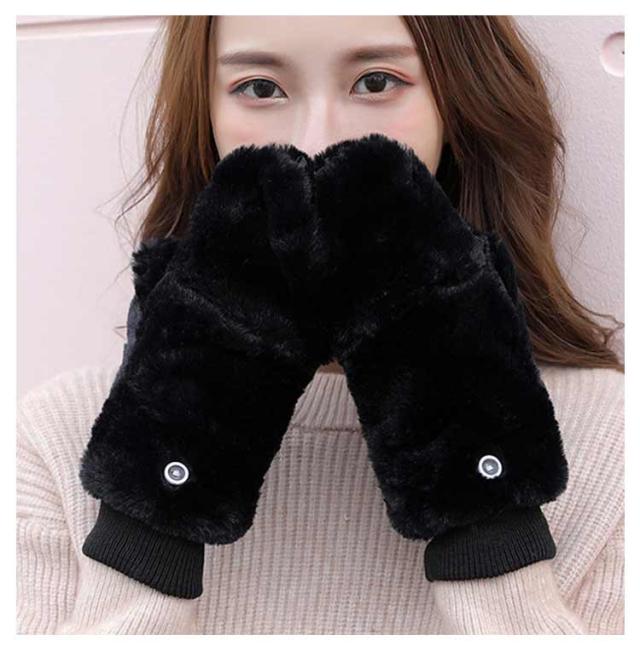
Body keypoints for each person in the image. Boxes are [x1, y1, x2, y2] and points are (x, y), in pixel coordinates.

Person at [16, 16, 624, 634]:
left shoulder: (613, 440)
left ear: (459, 102)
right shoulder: (57, 434)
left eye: (377, 82)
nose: (315, 142)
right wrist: (157, 494)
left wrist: (485, 495)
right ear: (207, 116)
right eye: (259, 88)